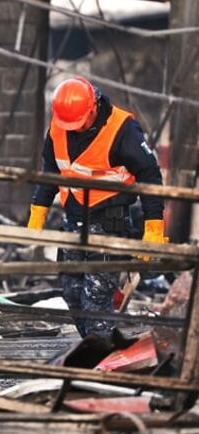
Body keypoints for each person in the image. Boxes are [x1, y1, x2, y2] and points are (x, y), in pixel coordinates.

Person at [27, 77, 166, 338]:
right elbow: (50, 171)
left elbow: (150, 176)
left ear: (93, 107)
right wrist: (37, 213)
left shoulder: (122, 129)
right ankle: (92, 349)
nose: (75, 129)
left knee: (96, 301)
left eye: (79, 123)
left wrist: (154, 228)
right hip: (73, 222)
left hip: (108, 224)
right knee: (72, 294)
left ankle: (98, 364)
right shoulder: (59, 127)